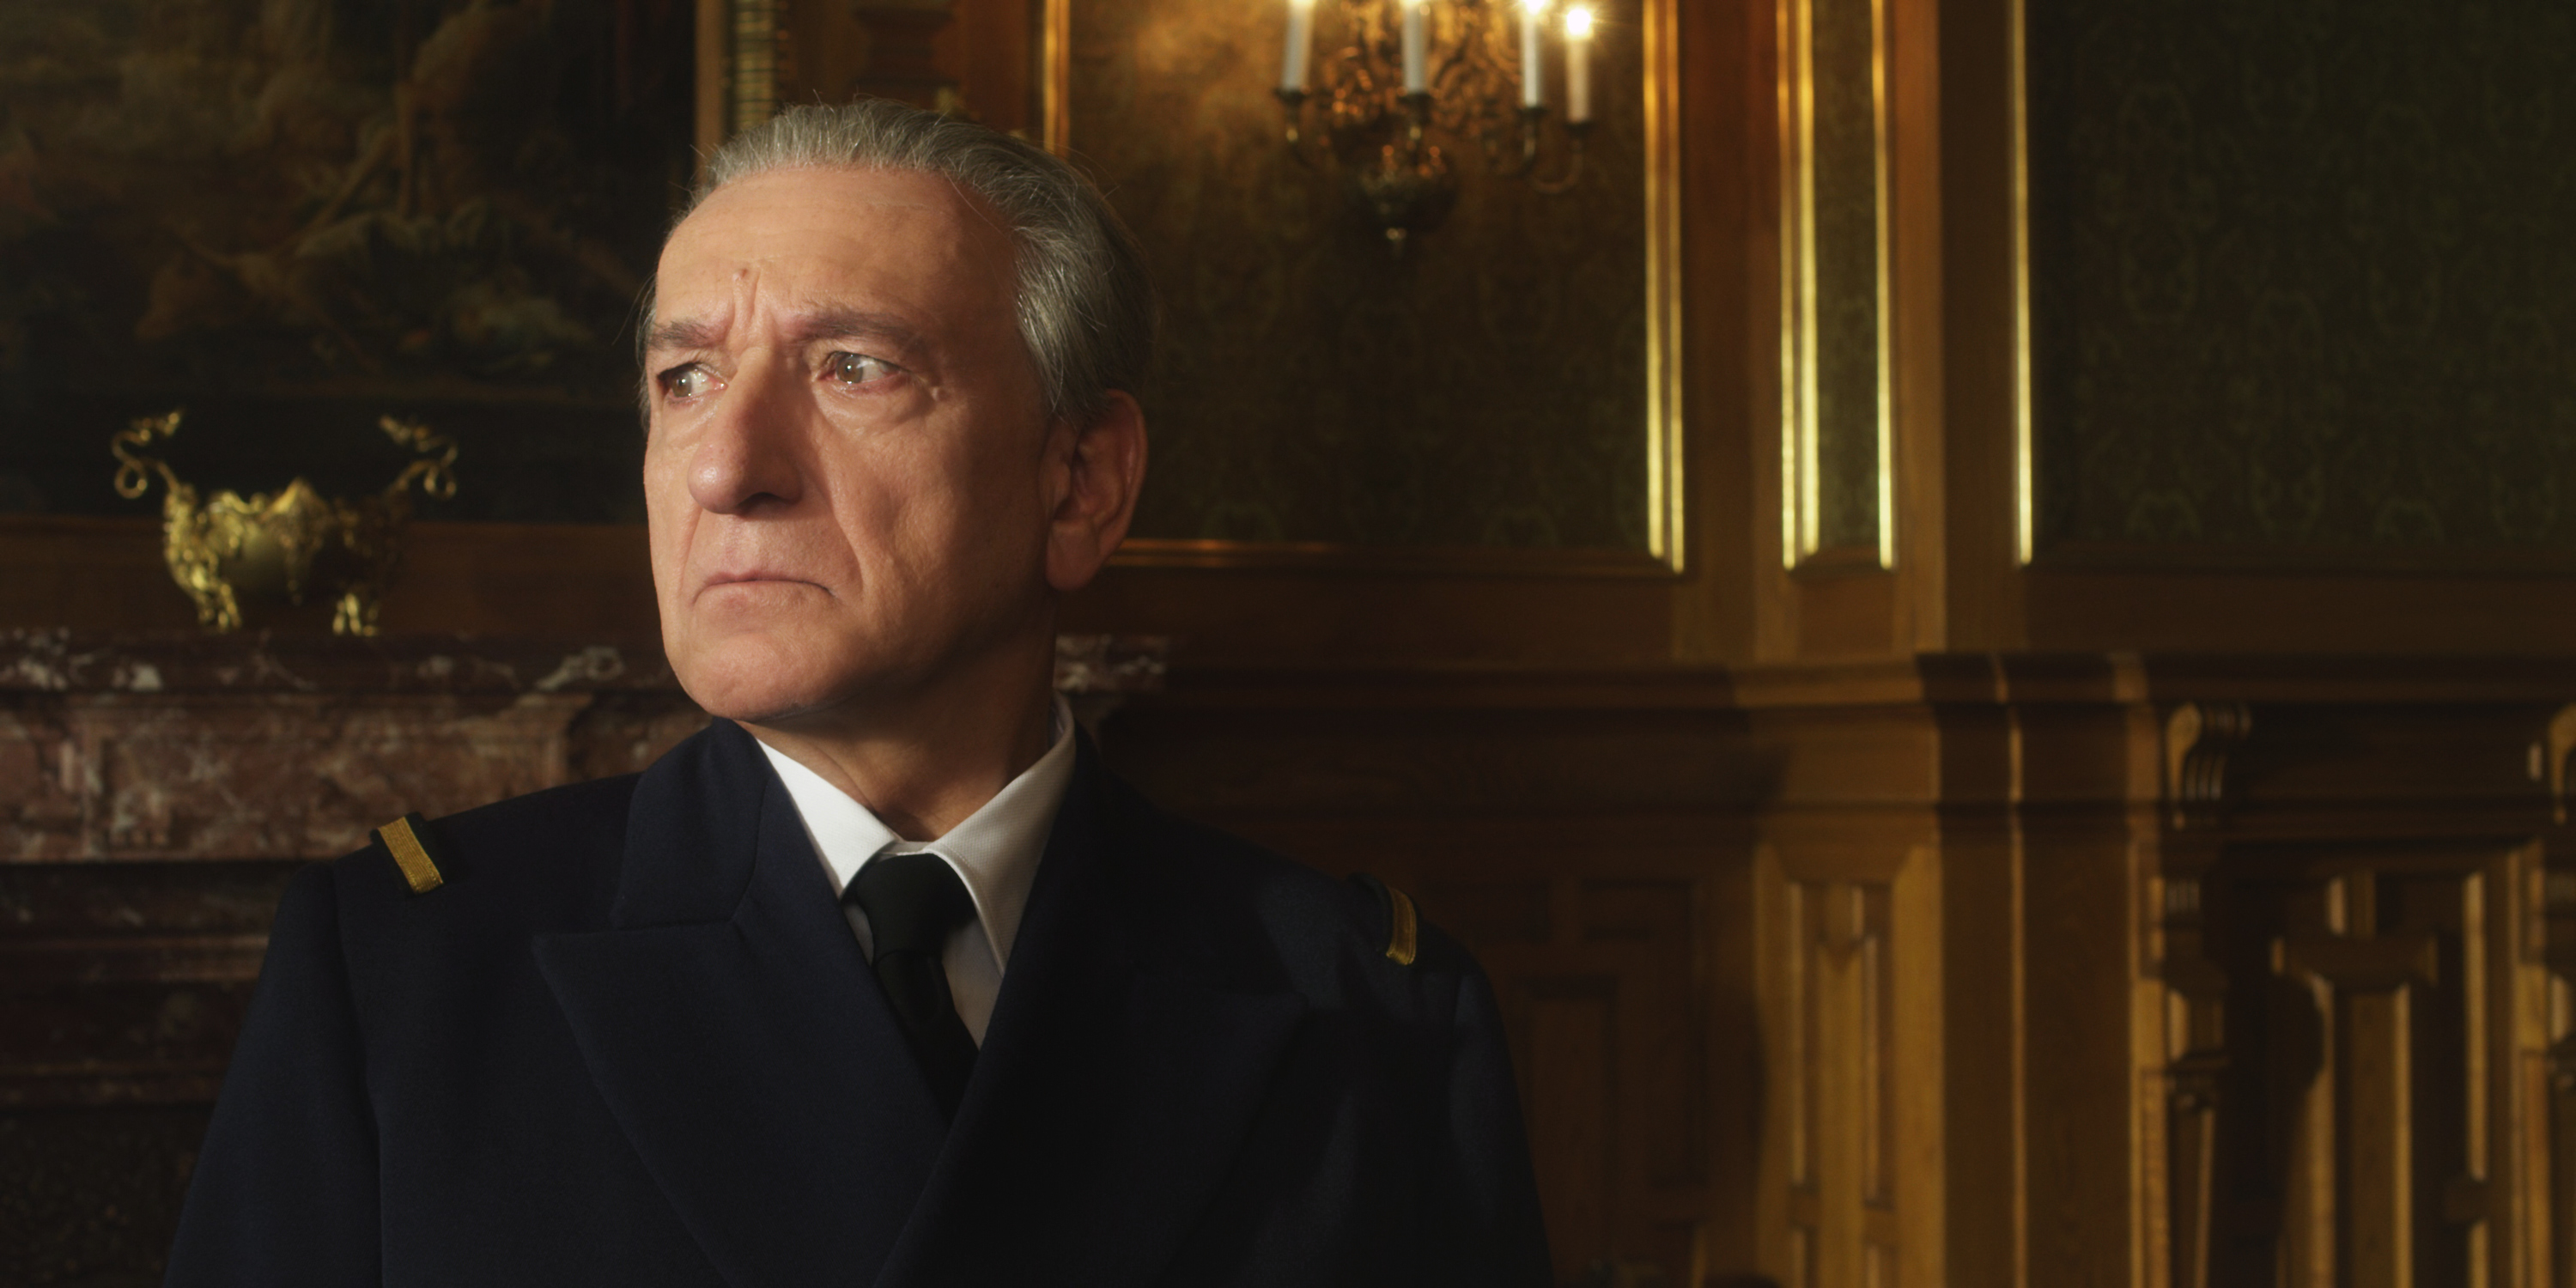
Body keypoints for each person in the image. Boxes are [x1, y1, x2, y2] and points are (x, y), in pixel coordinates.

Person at [163, 100, 1552, 1286]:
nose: (727, 467)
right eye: (685, 378)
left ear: (1081, 482)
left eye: (853, 369)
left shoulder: (1372, 1008)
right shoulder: (403, 973)